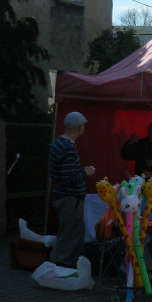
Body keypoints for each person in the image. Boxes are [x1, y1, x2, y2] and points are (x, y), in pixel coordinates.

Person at [48, 112, 95, 269]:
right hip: (70, 198)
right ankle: (63, 267)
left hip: (62, 195)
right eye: (84, 126)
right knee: (71, 234)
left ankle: (60, 264)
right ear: (79, 127)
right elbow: (68, 177)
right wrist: (85, 172)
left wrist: (79, 169)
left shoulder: (59, 143)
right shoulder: (68, 147)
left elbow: (61, 172)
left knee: (66, 232)